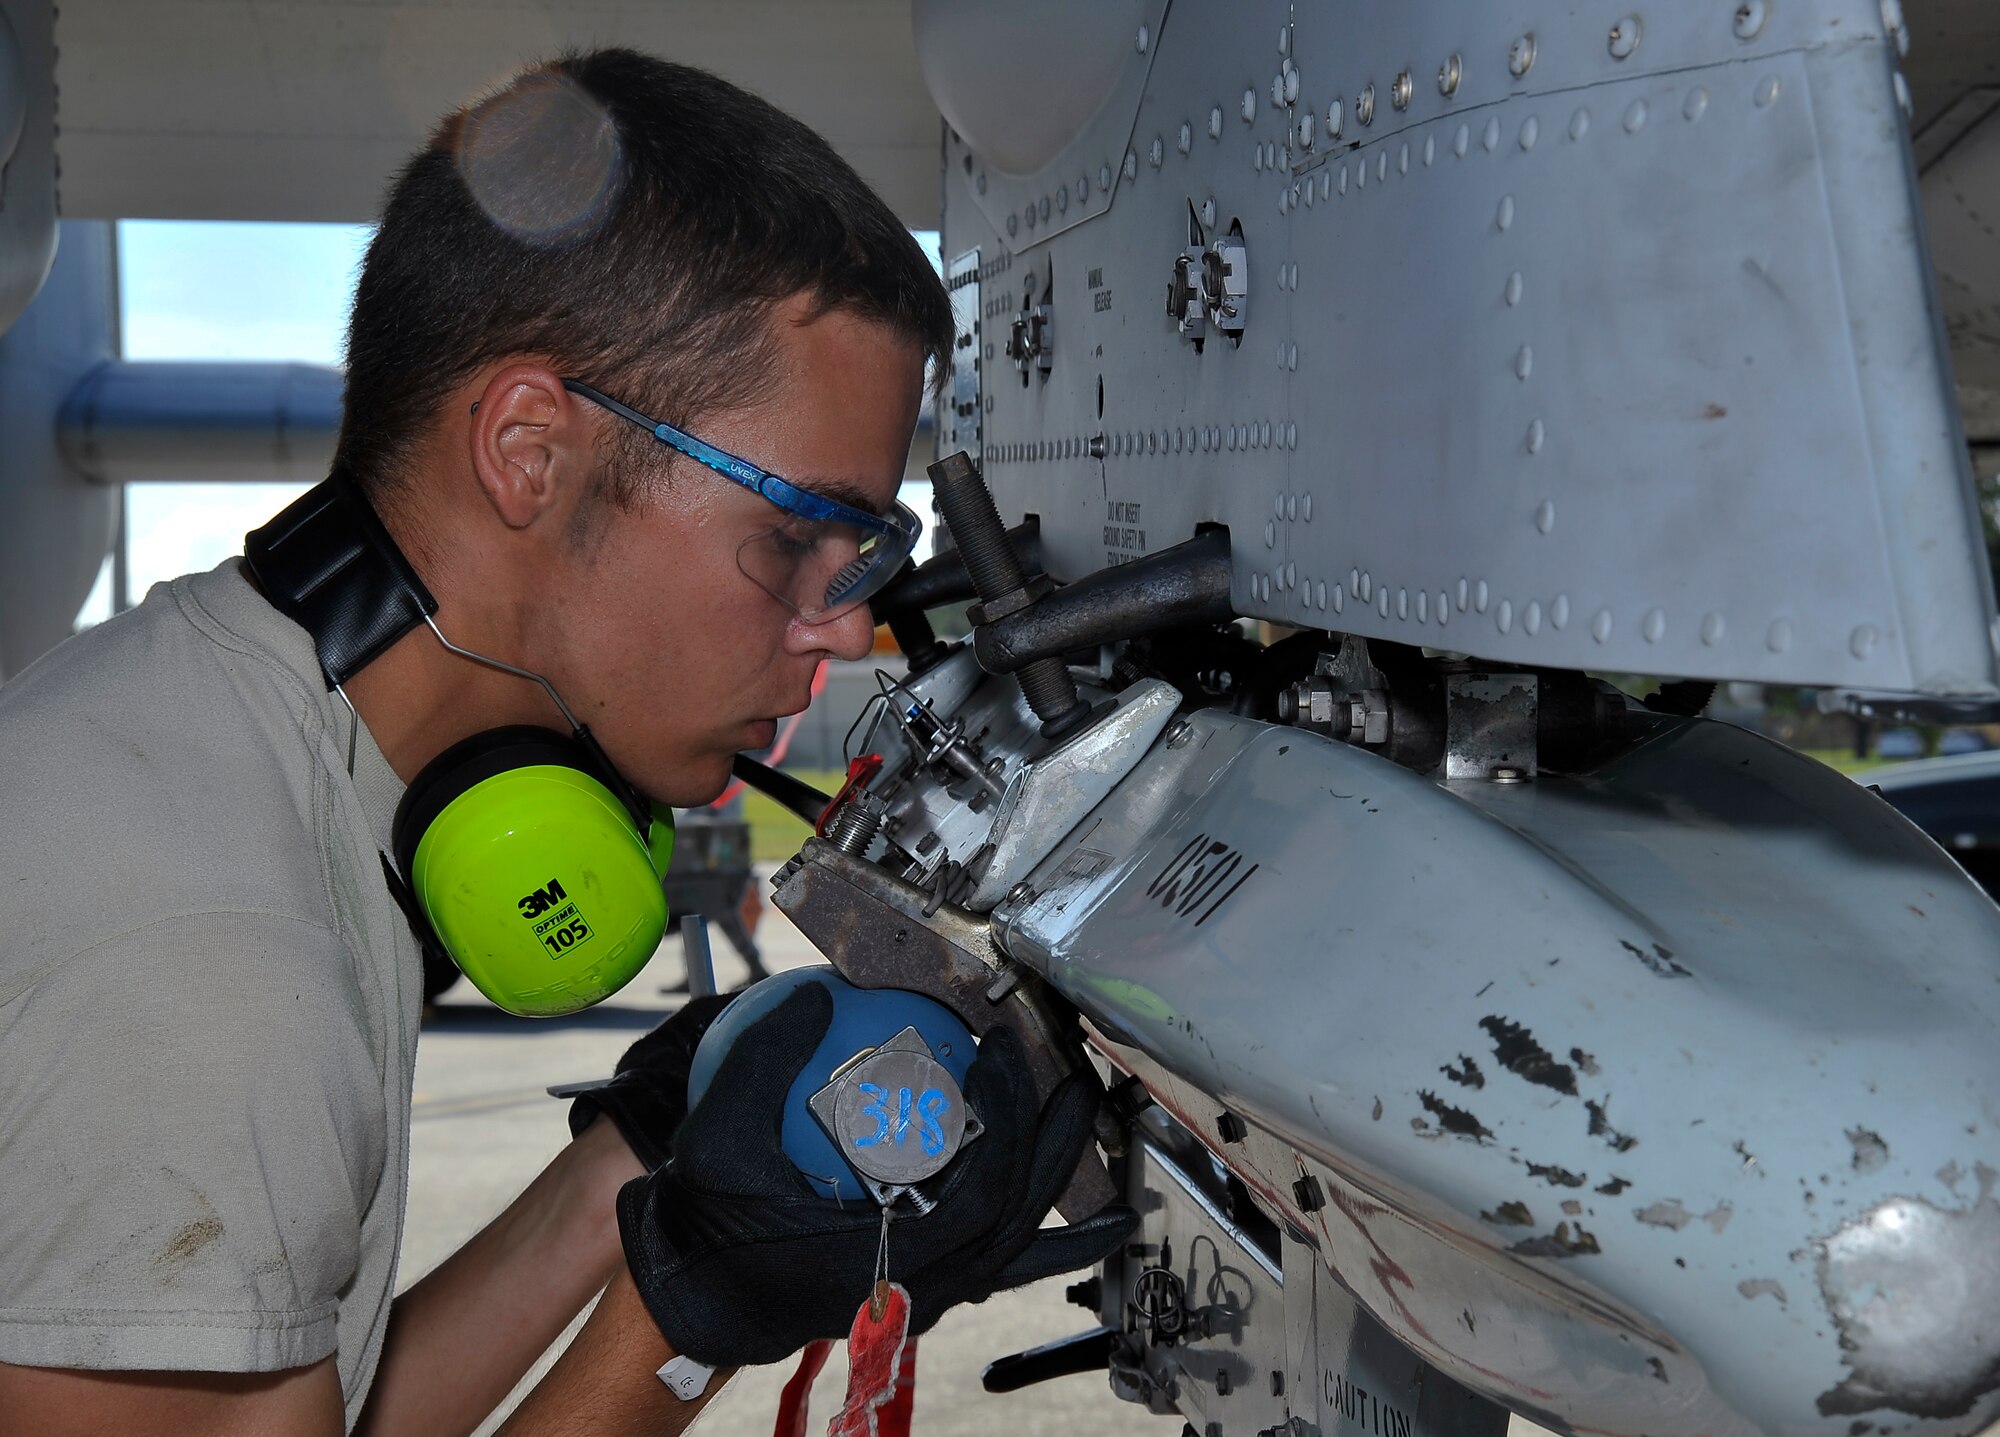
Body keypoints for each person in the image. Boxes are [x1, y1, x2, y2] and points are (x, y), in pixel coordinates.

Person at [0, 49, 1129, 1435]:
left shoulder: (218, 731)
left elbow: (324, 1411)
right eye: (795, 535)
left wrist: (641, 1167)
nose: (842, 631)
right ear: (530, 450)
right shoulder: (204, 956)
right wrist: (692, 1317)